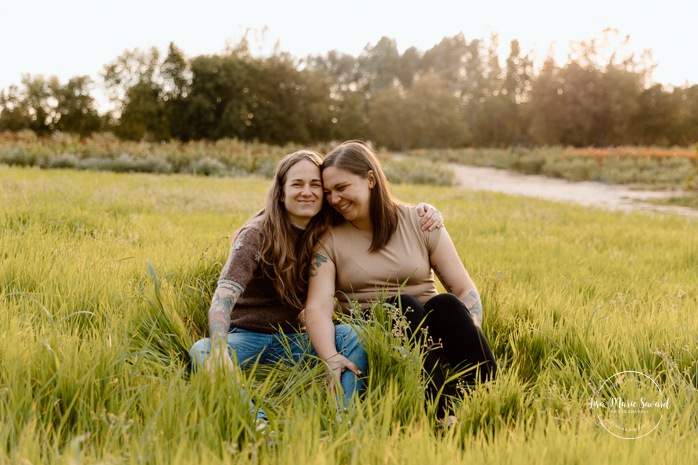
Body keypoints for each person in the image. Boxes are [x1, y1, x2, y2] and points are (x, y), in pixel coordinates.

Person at [189, 149, 443, 427]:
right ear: (281, 193)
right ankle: (257, 423)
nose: (307, 192)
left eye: (315, 185)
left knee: (353, 334)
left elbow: (379, 208)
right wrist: (219, 348)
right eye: (297, 184)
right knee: (203, 350)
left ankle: (345, 418)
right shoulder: (256, 235)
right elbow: (223, 298)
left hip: (299, 340)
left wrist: (425, 209)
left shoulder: (327, 229)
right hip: (249, 338)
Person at [305, 140, 497, 424]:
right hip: (375, 328)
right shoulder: (328, 239)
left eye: (342, 188)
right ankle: (441, 413)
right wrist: (330, 356)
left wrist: (470, 327)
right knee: (403, 305)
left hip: (431, 327)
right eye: (329, 192)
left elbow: (463, 288)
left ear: (370, 179)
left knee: (447, 303)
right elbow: (318, 306)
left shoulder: (421, 222)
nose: (334, 199)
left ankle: (488, 396)